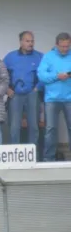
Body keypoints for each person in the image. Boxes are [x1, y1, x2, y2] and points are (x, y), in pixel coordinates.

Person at [3, 31, 43, 147]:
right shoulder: (10, 57)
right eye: (27, 41)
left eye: (32, 41)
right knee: (14, 126)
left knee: (33, 125)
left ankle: (33, 154)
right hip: (15, 94)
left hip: (32, 93)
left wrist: (37, 88)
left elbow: (45, 74)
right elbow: (0, 75)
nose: (31, 43)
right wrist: (6, 89)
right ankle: (14, 153)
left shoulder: (39, 56)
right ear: (21, 42)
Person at [38, 32, 71, 162]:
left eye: (67, 46)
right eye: (62, 46)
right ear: (56, 44)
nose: (65, 49)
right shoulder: (48, 57)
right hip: (52, 99)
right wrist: (57, 76)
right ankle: (48, 158)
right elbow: (41, 76)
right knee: (50, 129)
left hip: (70, 99)